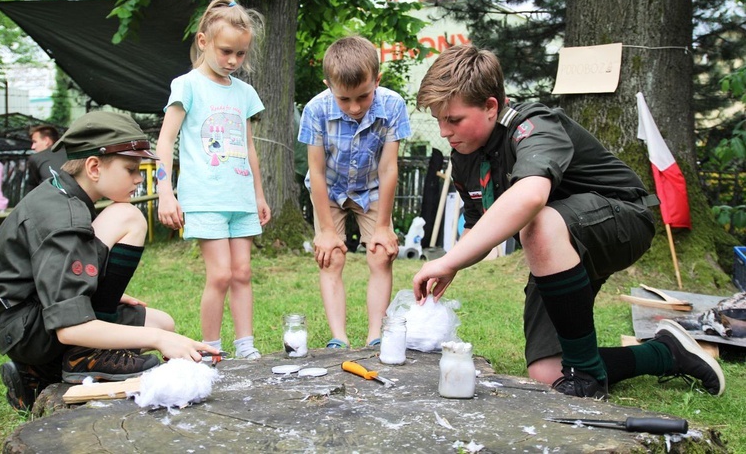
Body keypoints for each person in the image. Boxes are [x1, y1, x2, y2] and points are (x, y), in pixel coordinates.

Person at [412, 44, 725, 398]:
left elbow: (531, 196)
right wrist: (452, 266)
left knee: (539, 222)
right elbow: (476, 226)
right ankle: (665, 353)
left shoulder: (533, 124)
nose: (444, 132)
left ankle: (587, 379)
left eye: (453, 120)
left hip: (623, 219)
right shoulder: (465, 155)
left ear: (490, 106)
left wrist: (447, 258)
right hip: (559, 248)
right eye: (438, 120)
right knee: (546, 371)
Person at [0, 111, 219, 411]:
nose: (139, 178)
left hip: (31, 317)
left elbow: (48, 269)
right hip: (29, 331)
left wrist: (90, 286)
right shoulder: (65, 217)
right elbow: (69, 327)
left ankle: (37, 375)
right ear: (93, 167)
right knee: (127, 216)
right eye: (130, 169)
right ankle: (82, 355)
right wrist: (159, 340)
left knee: (164, 323)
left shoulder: (62, 194)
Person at [156, 0, 270, 360]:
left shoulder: (246, 92)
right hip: (204, 198)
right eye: (226, 51)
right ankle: (212, 348)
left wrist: (259, 194)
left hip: (240, 200)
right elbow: (165, 141)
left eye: (241, 53)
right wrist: (165, 193)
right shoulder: (186, 85)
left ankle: (246, 346)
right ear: (204, 42)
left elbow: (249, 147)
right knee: (219, 275)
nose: (234, 60)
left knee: (242, 274)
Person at [298, 35, 411, 348]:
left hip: (372, 188)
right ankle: (339, 338)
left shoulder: (393, 106)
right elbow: (317, 172)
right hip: (329, 190)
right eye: (344, 99)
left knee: (380, 255)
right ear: (329, 84)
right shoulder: (315, 110)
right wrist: (325, 233)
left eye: (363, 96)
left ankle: (376, 335)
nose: (355, 107)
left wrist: (385, 226)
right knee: (330, 257)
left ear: (377, 80)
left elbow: (389, 169)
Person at [25, 124, 68, 193]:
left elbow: (32, 187)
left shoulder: (36, 158)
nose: (32, 147)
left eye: (35, 142)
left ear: (46, 141)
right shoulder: (72, 154)